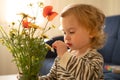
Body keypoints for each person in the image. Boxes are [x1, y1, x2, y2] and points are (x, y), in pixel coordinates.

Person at [39, 4, 106, 80]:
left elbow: (86, 76)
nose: (66, 37)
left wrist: (65, 56)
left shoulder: (95, 58)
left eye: (71, 32)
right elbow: (52, 77)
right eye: (64, 32)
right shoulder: (61, 57)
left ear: (92, 32)